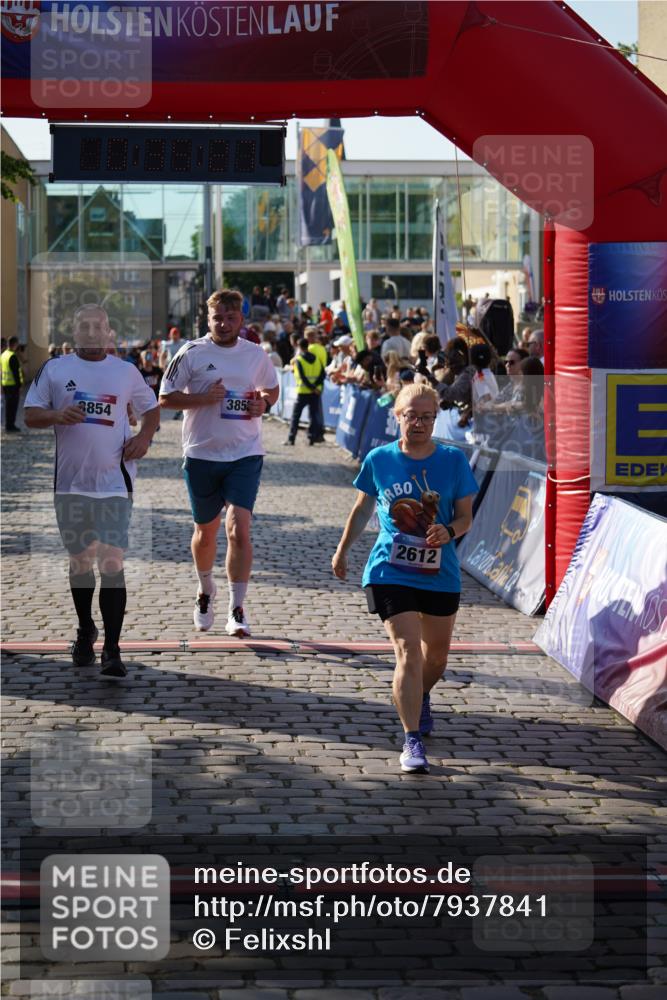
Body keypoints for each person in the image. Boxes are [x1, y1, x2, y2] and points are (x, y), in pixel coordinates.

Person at [332, 384, 477, 774]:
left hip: (439, 572)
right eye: (411, 415)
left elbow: (466, 516)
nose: (419, 423)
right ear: (397, 416)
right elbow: (362, 509)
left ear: (436, 418)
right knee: (408, 651)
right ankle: (411, 740)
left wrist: (450, 530)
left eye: (427, 416)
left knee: (437, 658)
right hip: (389, 569)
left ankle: (420, 693)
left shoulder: (453, 460)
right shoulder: (379, 459)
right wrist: (343, 549)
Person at [23, 305, 160, 677]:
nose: (90, 332)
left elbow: (152, 410)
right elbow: (30, 415)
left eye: (97, 326)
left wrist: (144, 437)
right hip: (70, 485)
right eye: (83, 326)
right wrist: (56, 415)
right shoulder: (55, 369)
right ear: (74, 330)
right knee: (81, 562)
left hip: (115, 483)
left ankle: (113, 650)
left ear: (108, 331)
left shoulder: (126, 371)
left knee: (112, 562)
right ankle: (86, 628)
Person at [159, 288, 279, 637]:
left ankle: (237, 608)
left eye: (230, 317)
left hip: (245, 453)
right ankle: (205, 589)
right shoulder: (191, 352)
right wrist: (202, 398)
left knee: (239, 530)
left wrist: (264, 404)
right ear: (207, 319)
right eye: (217, 318)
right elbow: (165, 398)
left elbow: (271, 390)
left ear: (241, 319)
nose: (224, 324)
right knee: (205, 533)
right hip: (201, 453)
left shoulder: (255, 354)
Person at [284, 337, 326, 446]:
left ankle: (291, 438)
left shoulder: (299, 360)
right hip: (314, 393)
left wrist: (311, 387)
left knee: (295, 416)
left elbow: (302, 377)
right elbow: (323, 375)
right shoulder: (317, 359)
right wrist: (315, 387)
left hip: (303, 392)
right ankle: (311, 438)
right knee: (313, 415)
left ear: (299, 347)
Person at [1, 336, 24, 432]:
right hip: (13, 386)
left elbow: (1, 371)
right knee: (13, 407)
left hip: (5, 384)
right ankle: (11, 426)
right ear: (14, 344)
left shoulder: (3, 355)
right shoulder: (12, 356)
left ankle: (8, 425)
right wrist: (19, 386)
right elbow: (16, 373)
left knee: (8, 407)